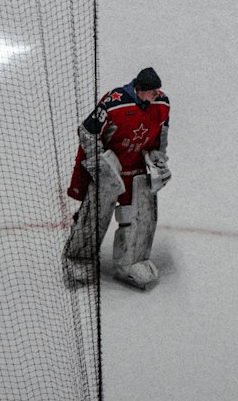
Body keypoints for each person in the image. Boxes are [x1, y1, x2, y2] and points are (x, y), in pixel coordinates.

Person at [63, 67, 171, 289]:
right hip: (111, 170)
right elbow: (87, 131)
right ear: (139, 89)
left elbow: (161, 136)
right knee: (95, 215)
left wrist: (158, 161)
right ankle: (79, 258)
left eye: (157, 91)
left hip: (138, 170)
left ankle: (131, 262)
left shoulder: (162, 104)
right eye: (152, 91)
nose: (156, 95)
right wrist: (101, 163)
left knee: (139, 217)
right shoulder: (114, 102)